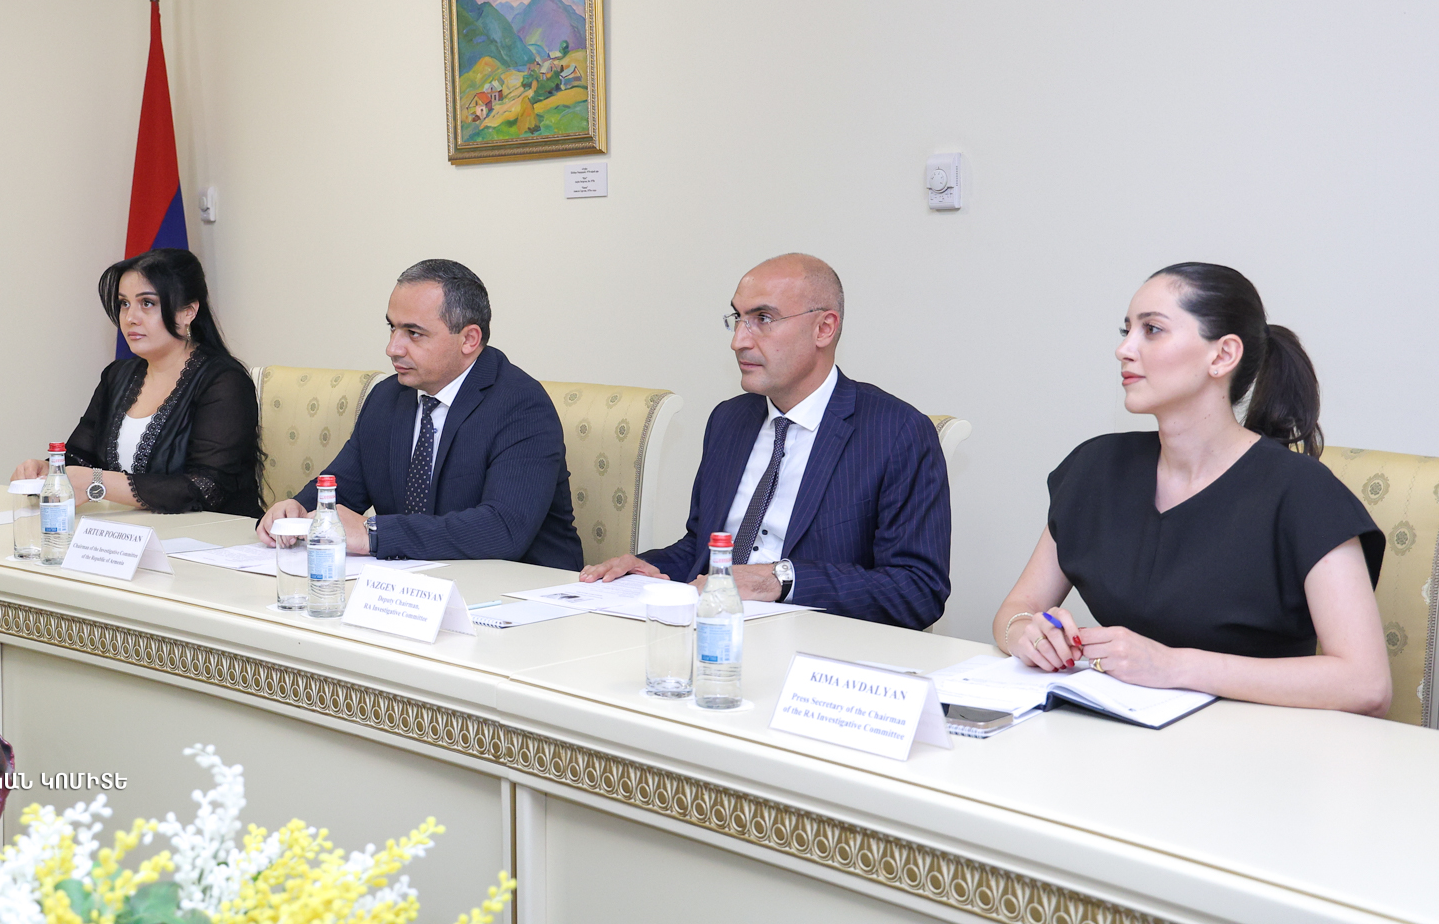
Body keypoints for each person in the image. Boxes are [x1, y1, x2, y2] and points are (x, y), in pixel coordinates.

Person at [993, 262, 1390, 716]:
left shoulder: (1303, 492)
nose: (1124, 349)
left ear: (1222, 356)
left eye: (1152, 330)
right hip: (1116, 737)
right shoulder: (1095, 467)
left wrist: (1174, 666)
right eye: (1126, 330)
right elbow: (1018, 607)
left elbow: (1367, 685)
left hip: (1259, 743)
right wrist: (1026, 633)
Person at [580, 254, 951, 626]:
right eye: (738, 318)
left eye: (763, 319)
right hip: (713, 630)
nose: (738, 341)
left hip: (814, 642)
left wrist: (778, 580)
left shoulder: (896, 432)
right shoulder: (729, 420)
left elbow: (918, 589)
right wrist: (647, 566)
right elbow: (702, 548)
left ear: (824, 328)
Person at [255, 259, 580, 569]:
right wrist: (296, 510)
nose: (393, 348)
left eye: (413, 333)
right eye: (392, 328)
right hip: (414, 588)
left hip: (521, 592)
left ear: (469, 339)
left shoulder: (521, 405)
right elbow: (340, 489)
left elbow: (503, 529)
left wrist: (374, 534)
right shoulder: (387, 398)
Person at [11, 248, 263, 518]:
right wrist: (50, 471)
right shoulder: (117, 376)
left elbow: (206, 487)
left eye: (147, 303)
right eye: (124, 303)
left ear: (187, 312)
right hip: (133, 532)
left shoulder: (224, 381)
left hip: (215, 536)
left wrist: (99, 483)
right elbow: (81, 458)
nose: (130, 317)